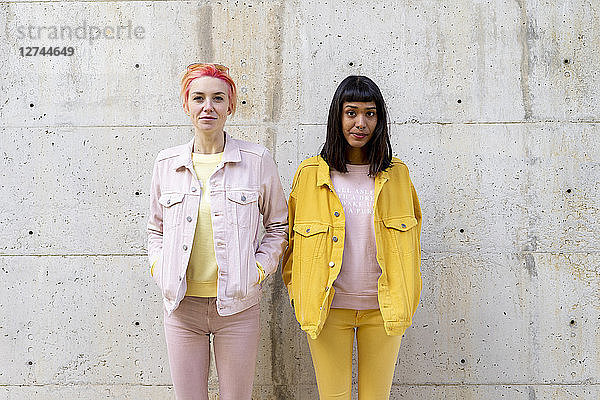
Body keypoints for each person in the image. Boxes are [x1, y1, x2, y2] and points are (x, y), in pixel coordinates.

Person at [147, 63, 288, 400]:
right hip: (182, 306)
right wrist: (159, 267)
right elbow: (155, 229)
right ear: (186, 105)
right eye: (198, 98)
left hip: (237, 306)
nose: (207, 107)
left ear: (230, 106)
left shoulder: (256, 160)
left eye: (217, 98)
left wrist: (256, 270)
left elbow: (279, 225)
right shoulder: (167, 164)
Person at [282, 75, 422, 399]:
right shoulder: (310, 175)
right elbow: (291, 245)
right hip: (327, 310)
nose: (361, 123)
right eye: (352, 112)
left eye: (370, 113)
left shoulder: (397, 175)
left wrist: (408, 293)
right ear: (338, 116)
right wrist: (298, 292)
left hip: (383, 311)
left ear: (380, 119)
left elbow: (412, 245)